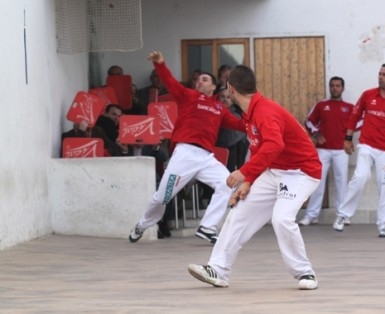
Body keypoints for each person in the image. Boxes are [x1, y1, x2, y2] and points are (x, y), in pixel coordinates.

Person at [187, 65, 322, 290]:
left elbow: (274, 145)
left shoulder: (265, 111)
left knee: (281, 218)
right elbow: (262, 151)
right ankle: (217, 270)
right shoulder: (251, 112)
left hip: (301, 173)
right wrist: (249, 182)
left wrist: (244, 172)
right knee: (239, 213)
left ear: (230, 88)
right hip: (273, 172)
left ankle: (305, 273)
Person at [128, 51, 245, 244]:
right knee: (161, 198)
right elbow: (170, 81)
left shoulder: (219, 108)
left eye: (204, 79)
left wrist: (259, 122)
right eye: (198, 79)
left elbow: (239, 125)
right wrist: (160, 63)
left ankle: (208, 227)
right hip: (185, 154)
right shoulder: (188, 95)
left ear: (213, 86)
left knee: (228, 183)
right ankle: (142, 224)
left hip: (206, 158)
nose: (199, 81)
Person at [332, 64, 385, 238]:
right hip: (366, 146)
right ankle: (343, 215)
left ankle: (384, 223)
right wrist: (347, 139)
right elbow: (354, 116)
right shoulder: (368, 95)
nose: (381, 77)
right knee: (361, 177)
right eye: (379, 74)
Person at [298, 76, 354, 226]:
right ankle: (311, 215)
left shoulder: (349, 108)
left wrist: (349, 138)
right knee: (317, 181)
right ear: (330, 88)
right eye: (333, 86)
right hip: (323, 150)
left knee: (342, 183)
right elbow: (308, 121)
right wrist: (316, 133)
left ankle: (342, 215)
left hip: (341, 151)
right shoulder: (321, 105)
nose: (335, 88)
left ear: (343, 88)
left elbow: (359, 121)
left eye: (338, 86)